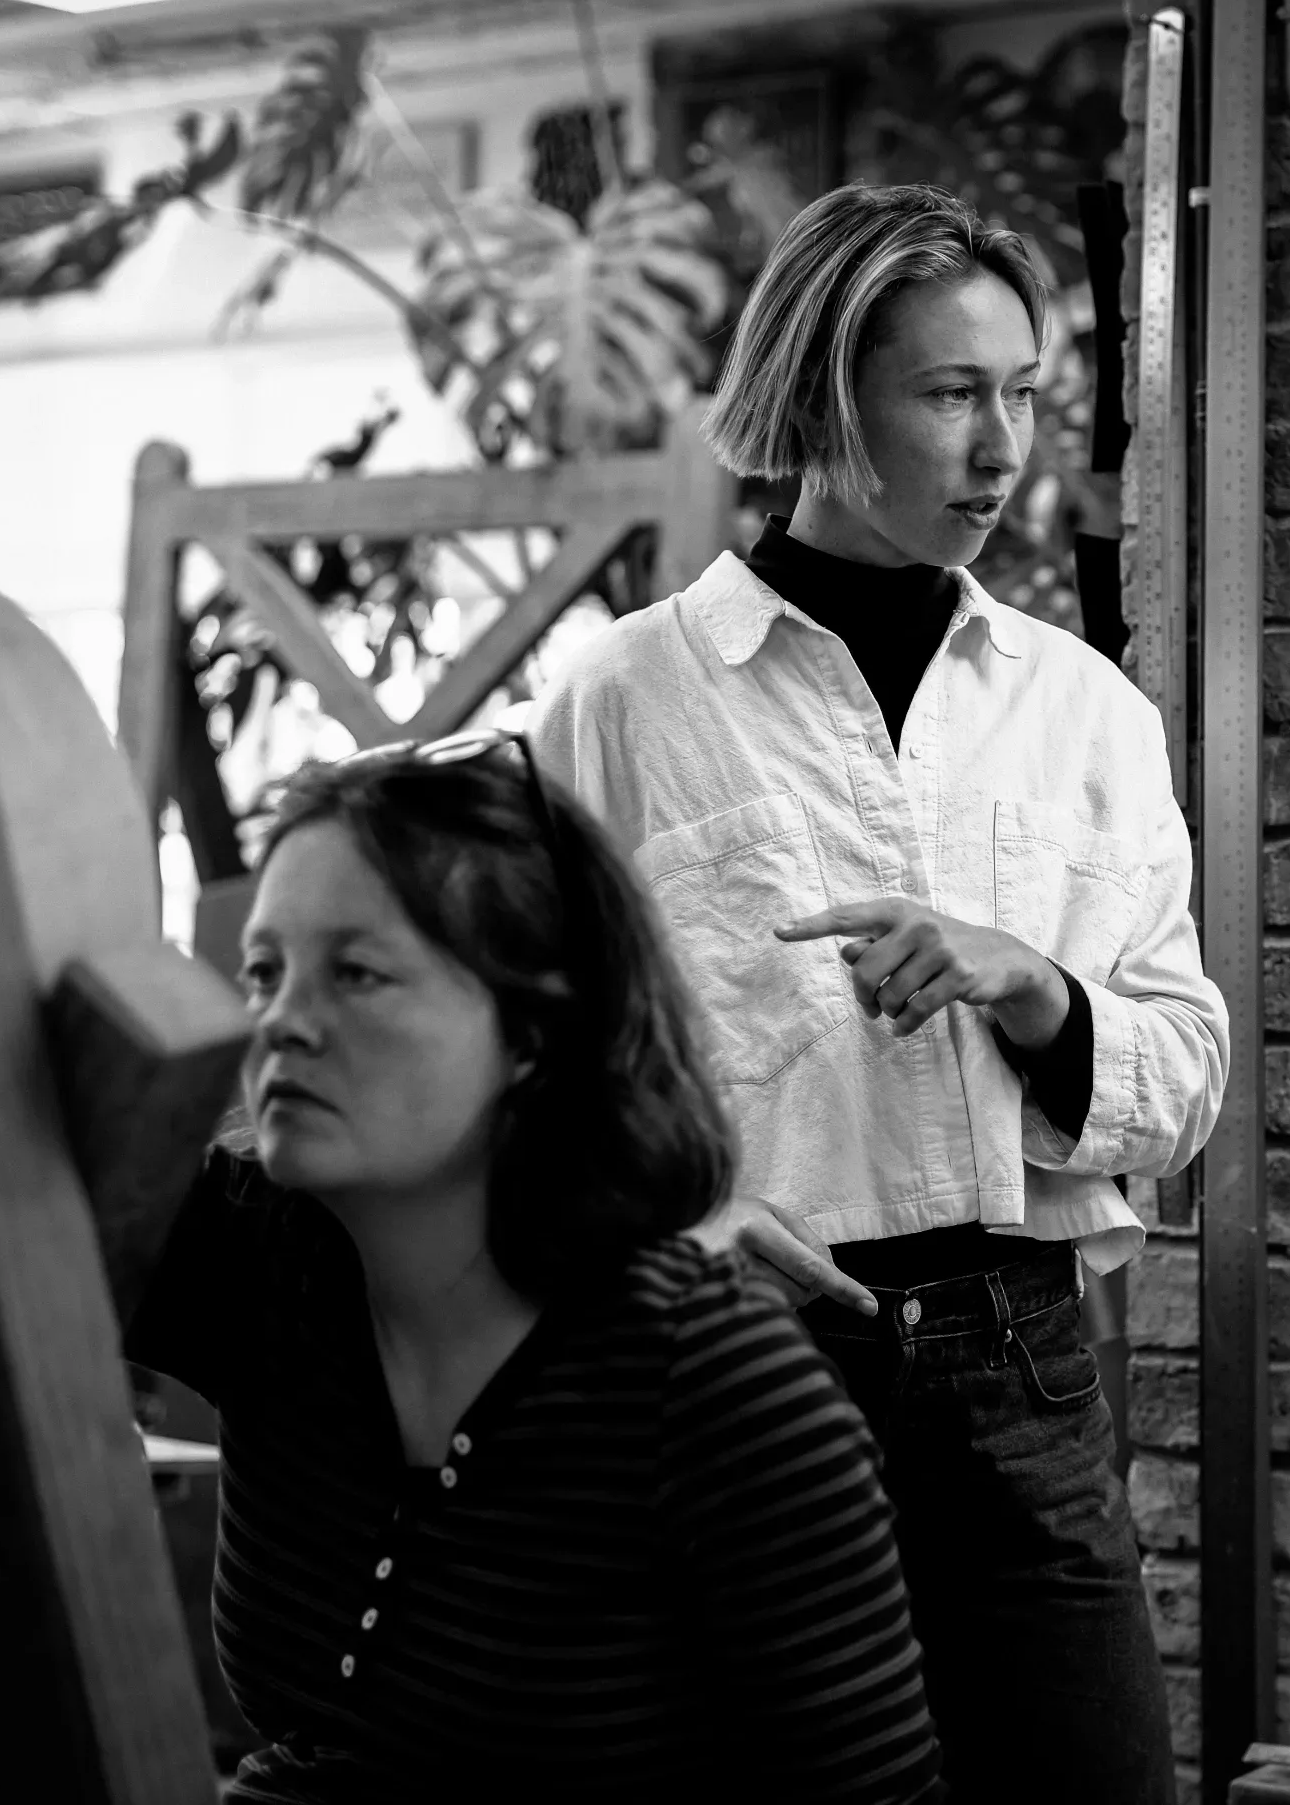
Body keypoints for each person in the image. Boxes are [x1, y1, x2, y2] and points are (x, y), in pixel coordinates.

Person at [529, 183, 1229, 1803]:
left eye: (1023, 396)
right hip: (737, 1370)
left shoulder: (1086, 714)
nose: (1005, 452)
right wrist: (666, 1232)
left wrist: (1036, 991)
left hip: (1025, 1375)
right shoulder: (628, 703)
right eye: (952, 394)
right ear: (824, 396)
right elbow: (539, 1079)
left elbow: (1188, 1082)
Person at [122, 734, 947, 1805]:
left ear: (535, 1034)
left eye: (357, 973)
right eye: (265, 973)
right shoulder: (255, 1259)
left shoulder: (713, 1383)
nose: (281, 1021)